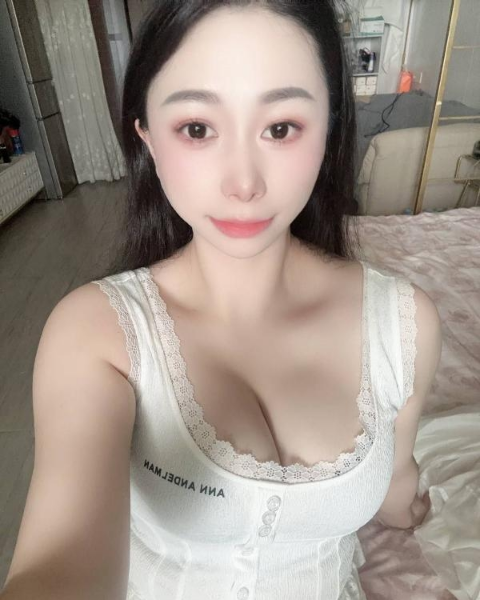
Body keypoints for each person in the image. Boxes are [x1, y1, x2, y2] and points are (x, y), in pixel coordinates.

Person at [1, 1, 441, 599]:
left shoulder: (403, 324)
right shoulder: (98, 333)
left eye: (280, 128)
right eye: (197, 129)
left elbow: (395, 487)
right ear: (147, 136)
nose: (243, 183)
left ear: (330, 128)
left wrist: (416, 517)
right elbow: (61, 563)